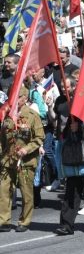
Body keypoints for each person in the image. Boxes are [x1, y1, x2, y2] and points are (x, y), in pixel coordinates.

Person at [0, 87, 44, 232]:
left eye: (17, 97)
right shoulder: (7, 114)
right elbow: (2, 138)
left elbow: (39, 137)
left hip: (26, 161)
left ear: (25, 98)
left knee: (26, 193)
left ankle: (24, 221)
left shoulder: (32, 115)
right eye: (11, 97)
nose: (13, 100)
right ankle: (4, 221)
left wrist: (27, 149)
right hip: (8, 159)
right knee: (4, 190)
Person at [54, 117, 84, 236]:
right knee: (71, 194)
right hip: (73, 165)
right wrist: (71, 129)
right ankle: (66, 225)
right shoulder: (71, 117)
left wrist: (80, 129)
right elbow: (62, 137)